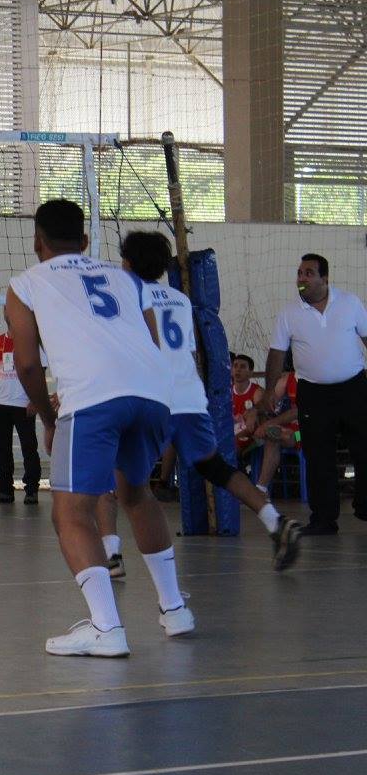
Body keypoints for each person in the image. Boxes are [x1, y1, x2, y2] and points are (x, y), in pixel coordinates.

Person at [6, 200, 186, 658]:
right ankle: (175, 610)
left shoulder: (25, 283)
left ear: (37, 242)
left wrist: (49, 418)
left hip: (93, 400)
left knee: (71, 513)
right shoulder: (126, 277)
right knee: (136, 493)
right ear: (85, 241)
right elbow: (152, 338)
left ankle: (106, 628)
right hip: (153, 392)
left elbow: (27, 364)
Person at [127, 231, 301, 570]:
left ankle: (112, 552)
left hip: (154, 397)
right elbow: (191, 353)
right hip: (190, 397)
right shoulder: (179, 300)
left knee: (117, 475)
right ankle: (274, 521)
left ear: (128, 263)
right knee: (218, 467)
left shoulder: (131, 296)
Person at [263, 253, 367, 535]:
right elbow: (277, 353)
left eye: (309, 273)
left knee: (364, 448)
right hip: (313, 394)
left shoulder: (350, 303)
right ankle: (323, 519)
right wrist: (269, 390)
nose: (301, 278)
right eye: (299, 273)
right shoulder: (289, 313)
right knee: (318, 456)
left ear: (325, 279)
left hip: (354, 388)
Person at [0, 312, 46, 504]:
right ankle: (5, 490)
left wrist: (35, 401)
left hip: (23, 404)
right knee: (2, 449)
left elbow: (40, 372)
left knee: (29, 448)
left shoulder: (33, 341)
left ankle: (31, 490)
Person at [253, 368, 300, 494]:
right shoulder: (287, 379)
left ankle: (261, 488)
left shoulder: (317, 378)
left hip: (308, 431)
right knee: (273, 437)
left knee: (288, 435)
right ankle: (261, 488)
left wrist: (269, 423)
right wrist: (254, 411)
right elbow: (269, 403)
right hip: (289, 428)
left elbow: (297, 412)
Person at [231, 353, 263, 458]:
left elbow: (257, 423)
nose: (238, 370)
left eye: (243, 367)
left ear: (250, 373)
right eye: (235, 366)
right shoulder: (226, 392)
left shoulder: (257, 392)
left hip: (252, 436)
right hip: (230, 434)